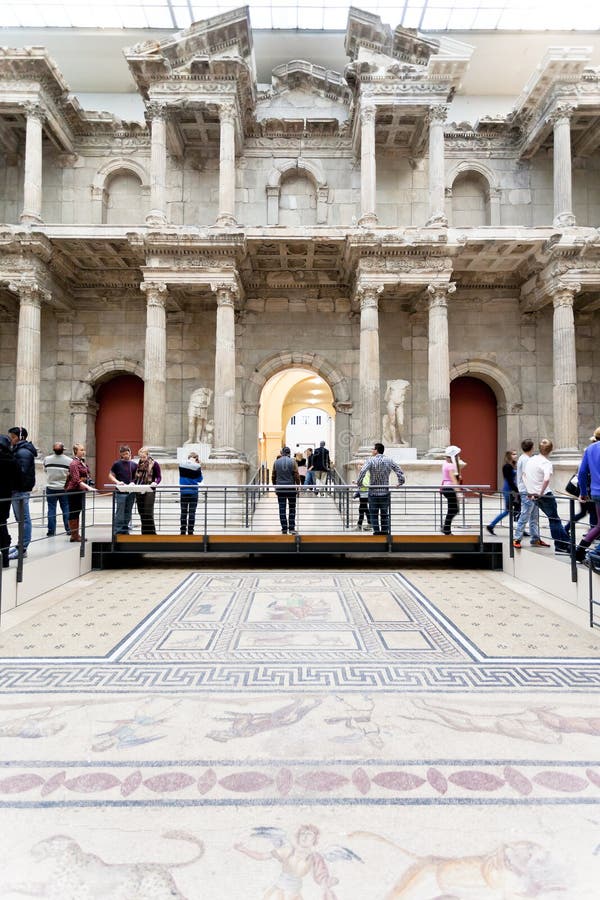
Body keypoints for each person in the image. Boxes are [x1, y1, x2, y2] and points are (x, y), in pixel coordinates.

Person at [523, 439, 570, 555]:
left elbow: (524, 476)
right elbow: (546, 479)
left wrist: (530, 491)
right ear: (551, 450)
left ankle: (566, 543)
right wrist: (541, 492)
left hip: (533, 494)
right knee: (554, 519)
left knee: (554, 519)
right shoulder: (546, 463)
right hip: (544, 495)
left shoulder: (531, 459)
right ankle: (562, 545)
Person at [356, 442, 405, 536]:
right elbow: (399, 470)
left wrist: (359, 483)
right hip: (384, 492)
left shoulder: (370, 461)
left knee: (373, 514)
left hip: (373, 492)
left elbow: (362, 471)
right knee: (384, 514)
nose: (372, 451)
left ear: (376, 450)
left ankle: (377, 533)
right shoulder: (389, 460)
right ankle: (385, 533)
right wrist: (401, 481)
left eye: (373, 449)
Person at [7, 426, 37, 560]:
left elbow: (21, 473)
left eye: (13, 437)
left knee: (23, 519)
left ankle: (23, 548)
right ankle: (20, 546)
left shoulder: (23, 452)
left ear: (20, 437)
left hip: (19, 490)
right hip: (18, 490)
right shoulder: (20, 450)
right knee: (21, 519)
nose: (11, 440)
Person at [513, 439, 548, 549]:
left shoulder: (524, 459)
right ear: (532, 448)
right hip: (528, 491)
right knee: (525, 515)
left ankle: (535, 538)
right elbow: (526, 476)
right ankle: (517, 538)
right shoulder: (526, 460)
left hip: (530, 491)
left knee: (534, 516)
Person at [574, 425, 600, 562]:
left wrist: (583, 492)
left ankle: (580, 550)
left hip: (596, 493)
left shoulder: (590, 449)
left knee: (599, 525)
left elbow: (582, 473)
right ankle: (596, 552)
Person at [64, 443, 95, 542]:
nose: (83, 451)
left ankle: (76, 534)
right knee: (74, 512)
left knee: (77, 511)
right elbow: (76, 479)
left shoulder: (81, 462)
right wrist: (89, 487)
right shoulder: (74, 463)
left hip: (79, 490)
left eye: (83, 449)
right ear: (75, 451)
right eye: (81, 450)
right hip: (74, 490)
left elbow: (87, 474)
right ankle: (74, 535)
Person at [486, 449, 518, 535]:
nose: (516, 456)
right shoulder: (507, 466)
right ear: (509, 456)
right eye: (513, 454)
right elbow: (510, 480)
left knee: (514, 510)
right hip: (509, 489)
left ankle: (520, 529)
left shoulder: (512, 465)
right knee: (508, 510)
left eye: (516, 454)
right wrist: (516, 490)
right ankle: (491, 525)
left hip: (511, 489)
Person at [43, 441, 72, 536]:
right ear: (63, 450)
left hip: (51, 487)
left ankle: (51, 531)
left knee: (51, 509)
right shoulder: (69, 461)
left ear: (53, 450)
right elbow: (70, 474)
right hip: (64, 488)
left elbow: (45, 471)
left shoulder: (47, 459)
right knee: (66, 508)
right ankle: (68, 529)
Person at [108, 445, 138, 536]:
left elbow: (135, 477)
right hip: (120, 491)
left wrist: (133, 482)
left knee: (128, 511)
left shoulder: (134, 464)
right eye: (124, 454)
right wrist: (117, 482)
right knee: (120, 511)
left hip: (131, 491)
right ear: (120, 454)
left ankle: (125, 529)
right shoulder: (117, 464)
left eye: (127, 453)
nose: (126, 455)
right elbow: (110, 475)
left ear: (130, 452)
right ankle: (118, 530)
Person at [0, 434, 20, 568]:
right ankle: (5, 558)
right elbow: (19, 482)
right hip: (5, 499)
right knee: (2, 526)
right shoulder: (12, 460)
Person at [132, 447, 161, 535]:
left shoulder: (154, 464)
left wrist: (155, 482)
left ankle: (152, 533)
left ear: (148, 455)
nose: (142, 459)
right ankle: (144, 534)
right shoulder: (138, 464)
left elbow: (159, 477)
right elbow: (135, 477)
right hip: (139, 489)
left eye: (144, 457)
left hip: (149, 490)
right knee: (141, 512)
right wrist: (132, 483)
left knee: (148, 512)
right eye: (141, 457)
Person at [271, 446, 300, 534]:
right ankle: (291, 528)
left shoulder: (276, 462)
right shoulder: (293, 461)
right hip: (291, 488)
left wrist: (275, 486)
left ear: (282, 453)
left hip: (280, 488)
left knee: (282, 508)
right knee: (292, 508)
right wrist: (298, 486)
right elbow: (296, 475)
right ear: (289, 453)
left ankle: (284, 528)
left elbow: (273, 476)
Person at [440, 445, 464, 536]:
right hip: (450, 489)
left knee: (452, 509)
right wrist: (459, 493)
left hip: (446, 488)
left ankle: (446, 528)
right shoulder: (450, 466)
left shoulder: (445, 464)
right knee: (454, 510)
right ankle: (446, 529)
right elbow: (453, 480)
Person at [179, 451, 203, 535]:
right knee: (192, 513)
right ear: (196, 459)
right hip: (193, 492)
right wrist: (199, 467)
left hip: (183, 491)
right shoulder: (197, 467)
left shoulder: (181, 465)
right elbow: (200, 479)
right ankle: (190, 531)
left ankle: (182, 531)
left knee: (183, 512)